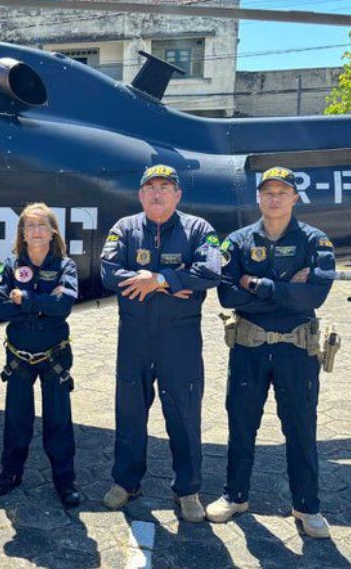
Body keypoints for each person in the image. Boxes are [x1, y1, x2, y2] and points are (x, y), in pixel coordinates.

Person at [206, 167, 336, 539]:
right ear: (258, 198)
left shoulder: (316, 241)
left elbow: (314, 295)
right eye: (268, 192)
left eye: (283, 192)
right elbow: (229, 294)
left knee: (300, 427)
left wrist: (256, 284)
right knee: (241, 424)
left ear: (295, 198)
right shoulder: (238, 241)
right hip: (249, 347)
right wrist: (283, 288)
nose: (274, 198)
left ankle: (307, 506)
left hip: (297, 350)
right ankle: (235, 496)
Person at [100, 164, 222, 522]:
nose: (157, 193)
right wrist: (175, 282)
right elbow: (109, 271)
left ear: (177, 195)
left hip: (180, 336)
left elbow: (211, 271)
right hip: (135, 334)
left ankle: (187, 489)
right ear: (140, 195)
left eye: (165, 187)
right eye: (150, 187)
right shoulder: (125, 228)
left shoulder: (199, 229)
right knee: (130, 410)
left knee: (184, 413)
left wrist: (159, 280)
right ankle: (126, 482)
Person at [0, 203, 82, 508]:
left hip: (54, 357)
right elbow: (0, 307)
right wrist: (44, 302)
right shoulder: (9, 264)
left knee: (58, 420)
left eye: (42, 225)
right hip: (19, 357)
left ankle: (64, 481)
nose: (36, 231)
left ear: (53, 230)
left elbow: (64, 305)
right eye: (30, 226)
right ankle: (10, 473)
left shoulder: (65, 266)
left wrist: (26, 299)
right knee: (17, 419)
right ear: (22, 233)